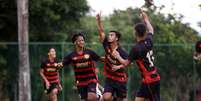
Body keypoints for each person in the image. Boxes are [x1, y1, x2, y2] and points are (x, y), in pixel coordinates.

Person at [96, 12, 129, 101]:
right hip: (110, 78)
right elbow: (101, 33)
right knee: (106, 98)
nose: (109, 36)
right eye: (109, 35)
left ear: (116, 38)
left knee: (121, 99)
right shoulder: (106, 46)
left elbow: (129, 63)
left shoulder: (122, 51)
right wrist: (98, 22)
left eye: (111, 35)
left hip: (120, 79)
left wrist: (119, 66)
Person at [128, 9, 160, 101]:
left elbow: (126, 63)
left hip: (149, 79)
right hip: (154, 77)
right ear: (144, 32)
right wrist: (146, 18)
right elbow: (151, 29)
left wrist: (117, 56)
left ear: (136, 33)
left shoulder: (136, 48)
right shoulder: (149, 41)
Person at [62, 33, 101, 101]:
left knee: (91, 97)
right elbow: (62, 63)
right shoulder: (71, 55)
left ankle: (99, 97)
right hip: (80, 81)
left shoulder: (89, 52)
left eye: (83, 40)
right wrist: (59, 64)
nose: (82, 42)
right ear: (75, 42)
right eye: (79, 40)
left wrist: (110, 58)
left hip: (91, 79)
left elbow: (100, 58)